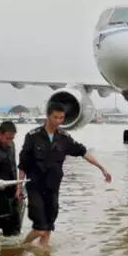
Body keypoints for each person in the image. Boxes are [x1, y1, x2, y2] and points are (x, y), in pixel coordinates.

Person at [17, 102, 112, 246]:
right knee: (40, 228)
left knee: (48, 227)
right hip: (35, 186)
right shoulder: (32, 136)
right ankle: (22, 246)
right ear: (48, 116)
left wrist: (102, 168)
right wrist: (19, 187)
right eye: (55, 117)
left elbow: (83, 152)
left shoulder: (64, 137)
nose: (58, 121)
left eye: (61, 118)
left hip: (53, 187)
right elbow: (23, 164)